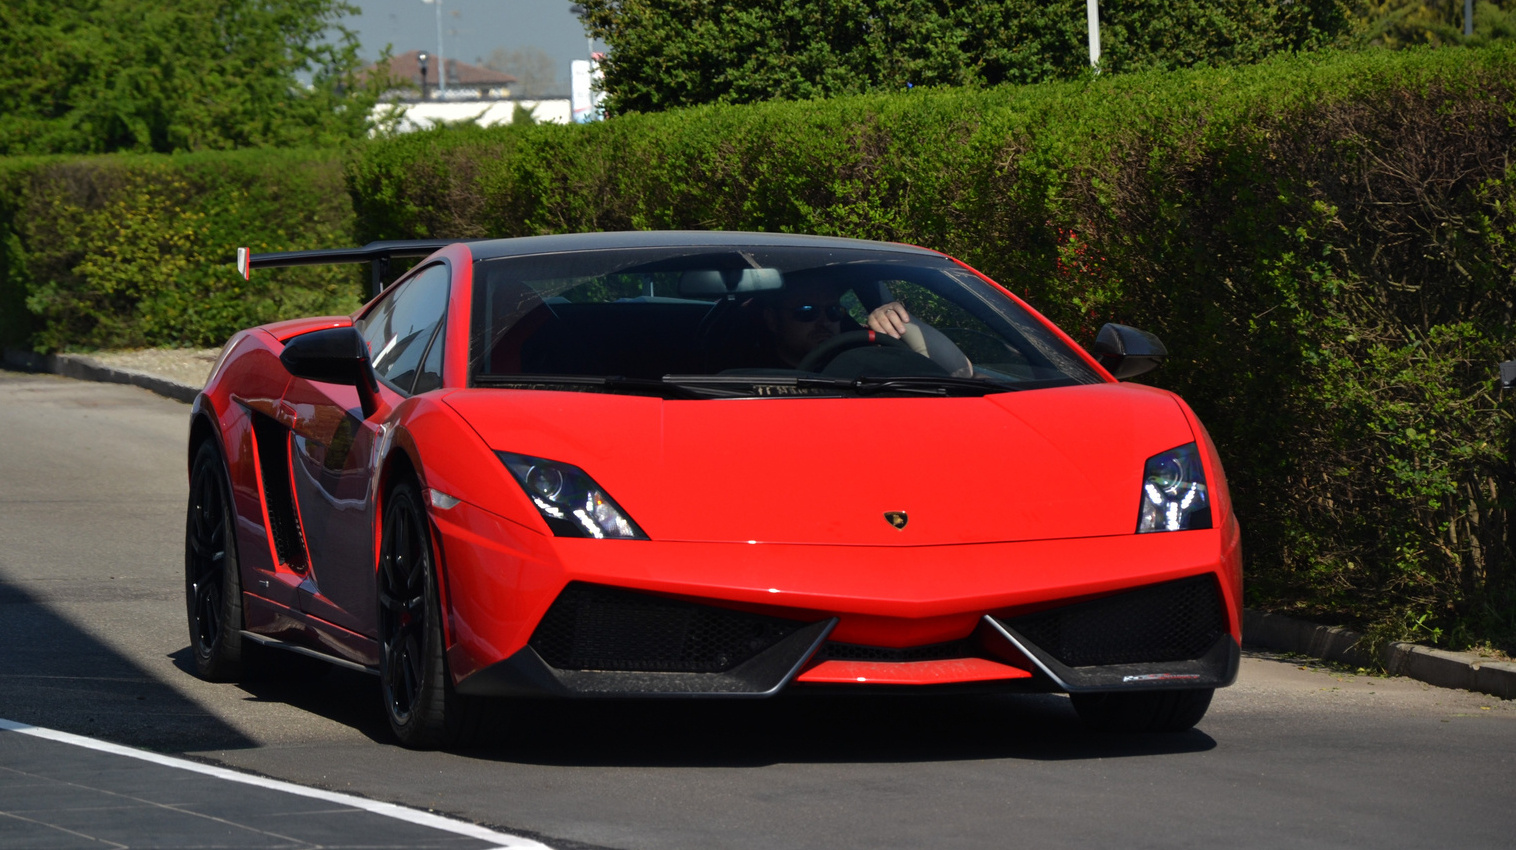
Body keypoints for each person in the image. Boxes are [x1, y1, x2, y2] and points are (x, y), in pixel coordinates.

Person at [760, 280, 970, 375]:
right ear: (772, 320)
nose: (824, 322)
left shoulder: (864, 359)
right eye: (807, 311)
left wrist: (903, 323)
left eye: (833, 311)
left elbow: (961, 373)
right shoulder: (740, 371)